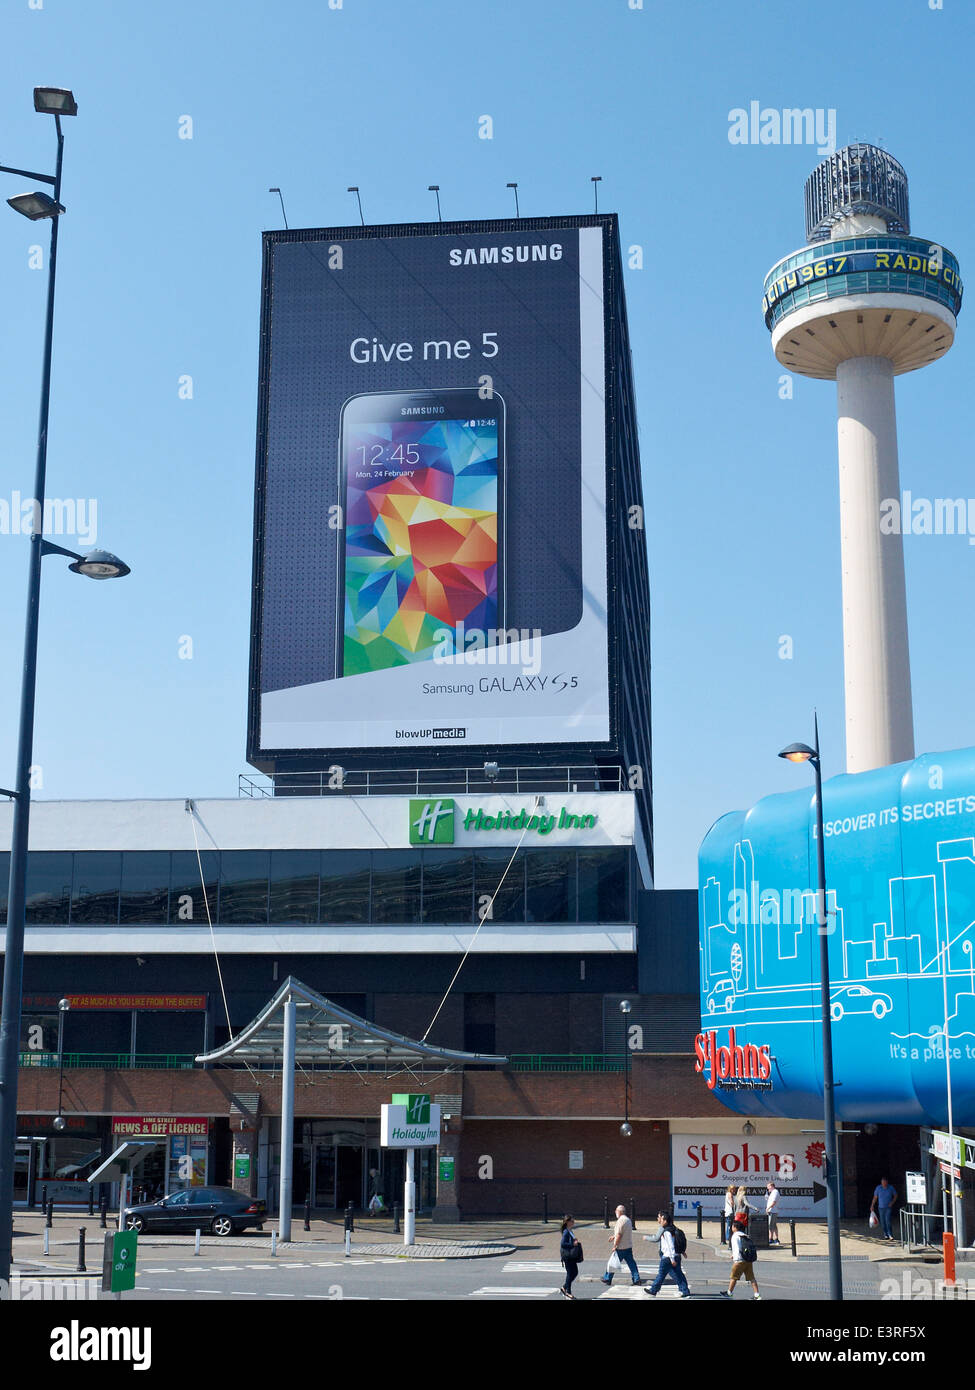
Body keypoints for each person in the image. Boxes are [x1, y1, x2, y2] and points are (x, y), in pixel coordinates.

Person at [644, 1210, 690, 1297]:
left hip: (668, 1257)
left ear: (665, 1221)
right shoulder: (674, 1229)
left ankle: (654, 1290)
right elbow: (677, 1242)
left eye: (661, 1219)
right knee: (678, 1274)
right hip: (676, 1256)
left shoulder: (667, 1232)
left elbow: (671, 1246)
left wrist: (672, 1259)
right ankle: (685, 1290)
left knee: (661, 1274)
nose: (659, 1221)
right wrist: (682, 1252)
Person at [601, 1203, 642, 1285]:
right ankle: (636, 1278)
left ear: (619, 1212)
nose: (615, 1212)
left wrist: (615, 1246)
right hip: (628, 1246)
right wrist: (614, 1236)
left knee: (612, 1263)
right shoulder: (628, 1220)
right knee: (632, 1264)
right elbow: (623, 1233)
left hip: (620, 1247)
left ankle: (607, 1278)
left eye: (616, 1211)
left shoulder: (620, 1221)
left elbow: (619, 1235)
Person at [725, 1214, 762, 1300]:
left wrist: (735, 1258)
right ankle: (757, 1295)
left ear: (735, 1227)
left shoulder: (735, 1236)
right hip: (748, 1260)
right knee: (751, 1278)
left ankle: (729, 1293)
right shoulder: (745, 1235)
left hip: (739, 1260)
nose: (731, 1228)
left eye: (732, 1226)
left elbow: (737, 1248)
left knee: (734, 1277)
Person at [560, 1215, 583, 1299]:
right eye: (572, 1221)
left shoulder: (570, 1231)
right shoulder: (566, 1232)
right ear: (567, 1222)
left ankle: (564, 1288)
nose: (573, 1222)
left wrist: (575, 1240)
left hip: (571, 1256)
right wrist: (572, 1244)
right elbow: (563, 1244)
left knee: (575, 1272)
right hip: (567, 1256)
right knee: (570, 1273)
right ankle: (567, 1292)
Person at [765, 1179, 781, 1246]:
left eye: (768, 1186)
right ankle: (775, 1239)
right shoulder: (773, 1192)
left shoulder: (775, 1192)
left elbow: (774, 1202)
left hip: (772, 1211)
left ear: (772, 1186)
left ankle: (771, 1239)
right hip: (772, 1211)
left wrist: (768, 1208)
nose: (767, 1188)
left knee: (771, 1225)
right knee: (773, 1225)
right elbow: (771, 1200)